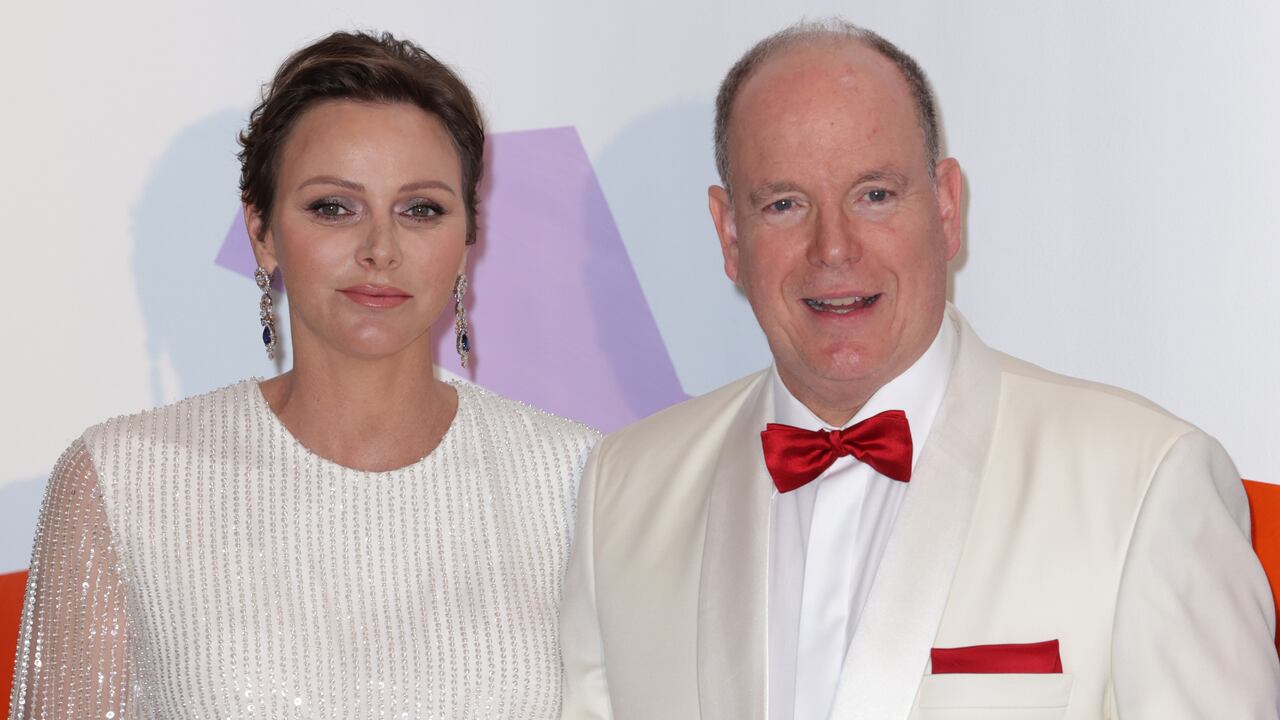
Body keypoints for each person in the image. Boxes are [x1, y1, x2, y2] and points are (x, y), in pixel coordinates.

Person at [560, 19, 1280, 720]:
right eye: (784, 204)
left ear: (945, 207)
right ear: (729, 235)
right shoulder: (622, 494)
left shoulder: (1143, 481)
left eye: (874, 194)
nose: (833, 248)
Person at [10, 31, 597, 719]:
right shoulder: (123, 481)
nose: (380, 248)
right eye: (333, 207)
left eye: (421, 210)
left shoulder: (578, 481)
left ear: (468, 238)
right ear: (262, 232)